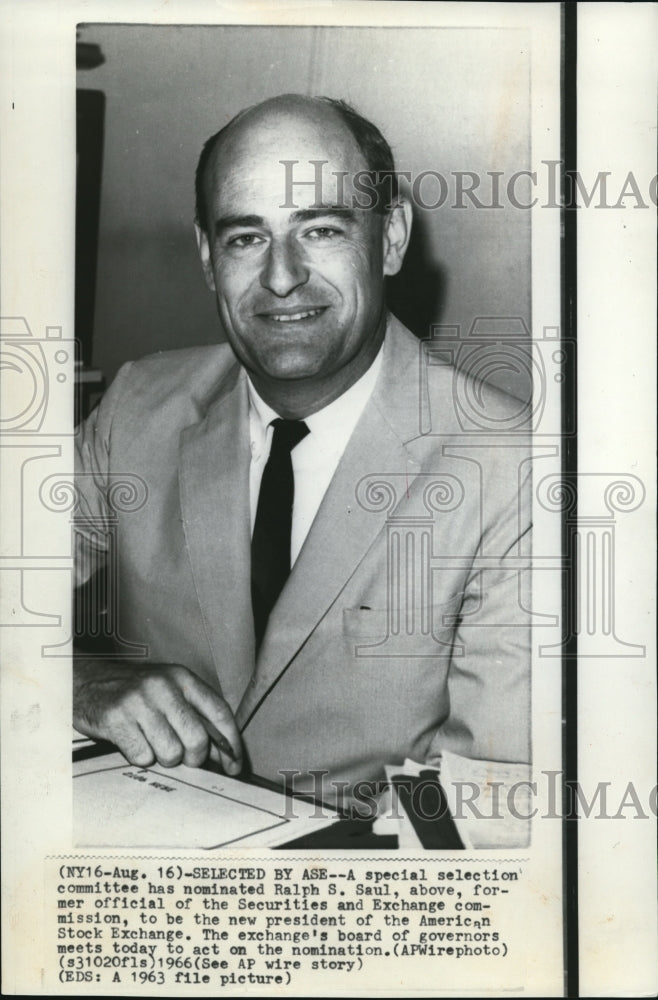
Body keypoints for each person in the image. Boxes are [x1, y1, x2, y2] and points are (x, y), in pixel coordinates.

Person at [73, 94, 531, 808]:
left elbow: (498, 801)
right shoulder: (138, 406)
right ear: (206, 254)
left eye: (319, 229)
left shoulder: (514, 466)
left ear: (391, 238)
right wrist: (77, 681)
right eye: (245, 238)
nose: (281, 278)